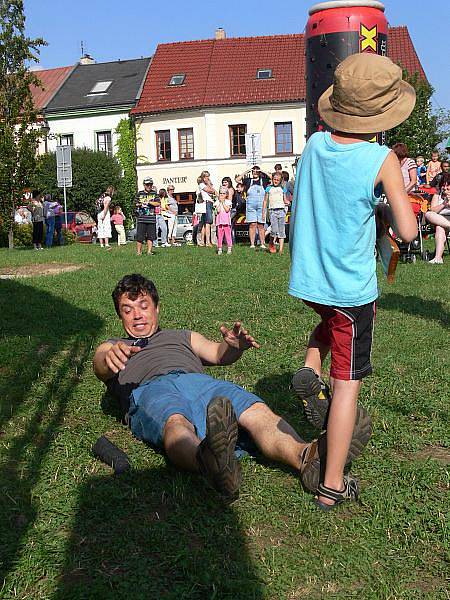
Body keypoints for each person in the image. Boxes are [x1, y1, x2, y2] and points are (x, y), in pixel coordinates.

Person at [93, 274, 371, 503]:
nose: (137, 316)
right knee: (175, 424)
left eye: (143, 305)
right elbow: (100, 365)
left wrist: (233, 346)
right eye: (127, 310)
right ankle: (211, 463)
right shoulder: (114, 345)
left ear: (157, 307)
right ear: (120, 318)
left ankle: (305, 456)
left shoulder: (180, 336)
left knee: (255, 410)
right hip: (151, 390)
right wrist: (110, 356)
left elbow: (217, 354)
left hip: (202, 384)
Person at [289, 53, 417, 510]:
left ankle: (309, 366)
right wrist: (386, 205)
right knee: (347, 386)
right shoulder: (382, 158)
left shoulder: (313, 145)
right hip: (351, 292)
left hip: (311, 283)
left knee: (329, 326)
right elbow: (408, 232)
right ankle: (332, 484)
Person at [235, 166, 270, 249]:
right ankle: (252, 244)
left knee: (261, 225)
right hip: (251, 205)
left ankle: (262, 243)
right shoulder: (248, 181)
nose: (255, 172)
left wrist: (262, 170)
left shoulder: (263, 180)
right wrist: (247, 171)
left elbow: (272, 177)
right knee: (252, 224)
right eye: (253, 171)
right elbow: (237, 179)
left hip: (261, 205)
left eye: (256, 171)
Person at [424, 173, 450, 264]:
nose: (445, 189)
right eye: (444, 186)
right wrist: (444, 204)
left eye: (448, 187)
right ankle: (438, 258)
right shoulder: (438, 194)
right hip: (440, 219)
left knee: (440, 227)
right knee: (428, 214)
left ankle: (438, 258)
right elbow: (433, 209)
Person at [262, 172, 288, 255]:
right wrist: (263, 212)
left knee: (281, 231)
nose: (276, 181)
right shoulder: (269, 188)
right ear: (272, 179)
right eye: (274, 179)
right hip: (272, 211)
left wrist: (287, 202)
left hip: (281, 211)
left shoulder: (282, 188)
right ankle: (271, 242)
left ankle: (280, 250)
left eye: (277, 180)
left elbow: (285, 199)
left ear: (280, 180)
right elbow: (265, 201)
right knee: (274, 230)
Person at [135, 177, 160, 256]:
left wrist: (149, 202)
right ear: (144, 185)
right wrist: (140, 204)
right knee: (140, 236)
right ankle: (139, 252)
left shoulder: (154, 194)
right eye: (147, 184)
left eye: (150, 184)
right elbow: (135, 203)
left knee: (151, 236)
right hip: (141, 218)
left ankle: (149, 251)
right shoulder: (139, 193)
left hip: (151, 218)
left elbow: (158, 203)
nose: (149, 186)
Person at [197, 171, 216, 247]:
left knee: (205, 223)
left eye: (208, 176)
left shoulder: (205, 184)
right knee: (208, 223)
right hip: (206, 203)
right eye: (206, 176)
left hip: (209, 203)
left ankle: (202, 241)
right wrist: (209, 184)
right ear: (203, 177)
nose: (208, 178)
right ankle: (207, 241)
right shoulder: (201, 185)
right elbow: (211, 191)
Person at [215, 184, 233, 255]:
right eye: (220, 193)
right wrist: (219, 202)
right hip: (219, 222)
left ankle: (229, 248)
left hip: (226, 222)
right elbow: (218, 211)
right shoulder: (217, 202)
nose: (222, 195)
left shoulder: (228, 202)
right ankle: (219, 248)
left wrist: (223, 202)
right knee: (219, 236)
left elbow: (227, 210)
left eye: (223, 193)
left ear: (226, 194)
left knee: (228, 235)